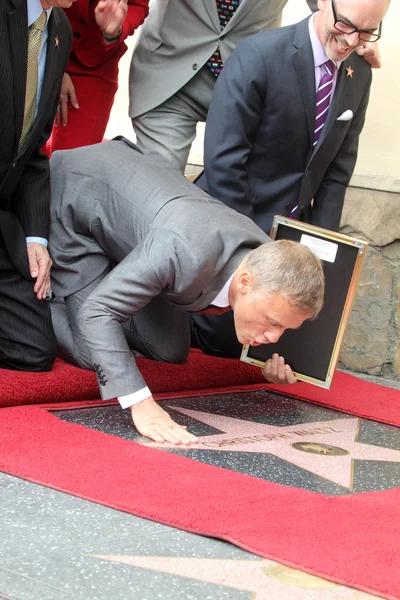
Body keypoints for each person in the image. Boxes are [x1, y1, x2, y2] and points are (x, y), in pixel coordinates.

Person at [48, 138, 325, 445]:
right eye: (273, 322)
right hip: (75, 201)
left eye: (283, 327)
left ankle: (117, 282)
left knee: (169, 352)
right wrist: (142, 404)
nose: (274, 336)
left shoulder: (262, 259)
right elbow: (98, 313)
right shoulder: (183, 251)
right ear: (244, 283)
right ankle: (38, 303)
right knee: (92, 348)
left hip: (138, 221)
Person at [191, 0, 391, 359]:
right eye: (345, 25)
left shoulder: (359, 73)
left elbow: (336, 172)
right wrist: (252, 247)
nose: (350, 41)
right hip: (230, 227)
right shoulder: (259, 54)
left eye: (366, 32)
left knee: (263, 353)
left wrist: (320, 251)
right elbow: (224, 160)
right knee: (211, 346)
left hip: (291, 239)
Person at [128, 0, 381, 173]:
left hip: (252, 84)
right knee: (160, 190)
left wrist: (356, 31)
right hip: (171, 75)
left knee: (237, 196)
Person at [0, 0, 72, 371]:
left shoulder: (59, 29)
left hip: (4, 216)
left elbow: (33, 153)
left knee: (34, 350)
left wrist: (36, 239)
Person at [45, 0, 148, 155]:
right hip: (39, 43)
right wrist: (54, 67)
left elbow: (138, 5)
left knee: (75, 159)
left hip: (94, 61)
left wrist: (115, 30)